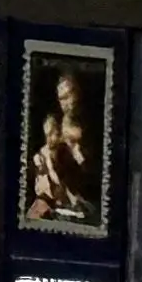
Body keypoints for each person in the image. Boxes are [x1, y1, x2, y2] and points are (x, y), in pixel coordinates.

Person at [27, 66, 100, 228]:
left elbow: (92, 172)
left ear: (78, 93)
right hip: (56, 196)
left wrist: (78, 154)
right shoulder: (57, 126)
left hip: (86, 197)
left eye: (69, 96)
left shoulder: (94, 127)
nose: (66, 103)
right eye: (62, 99)